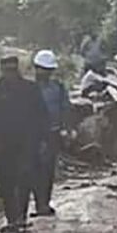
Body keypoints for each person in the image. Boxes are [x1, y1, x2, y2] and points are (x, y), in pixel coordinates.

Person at [0, 55, 47, 232]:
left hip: (26, 143)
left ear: (18, 70)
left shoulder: (30, 90)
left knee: (24, 180)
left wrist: (43, 140)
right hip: (2, 145)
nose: (10, 75)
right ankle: (12, 218)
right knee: (6, 182)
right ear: (2, 70)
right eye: (7, 71)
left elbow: (42, 115)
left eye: (13, 70)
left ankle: (20, 217)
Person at [30, 49, 70, 218]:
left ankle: (43, 203)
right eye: (40, 69)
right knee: (33, 170)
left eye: (46, 70)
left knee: (47, 170)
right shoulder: (28, 89)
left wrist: (67, 129)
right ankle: (38, 203)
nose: (43, 73)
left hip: (52, 134)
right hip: (32, 135)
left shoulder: (58, 89)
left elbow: (66, 109)